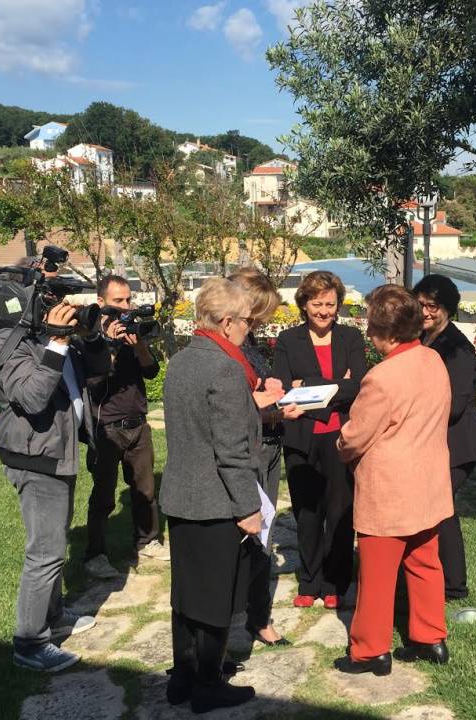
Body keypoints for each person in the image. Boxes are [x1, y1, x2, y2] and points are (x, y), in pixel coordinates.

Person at [159, 277, 285, 713]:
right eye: (247, 322)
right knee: (213, 596)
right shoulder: (226, 369)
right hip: (215, 499)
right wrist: (248, 508)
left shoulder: (180, 361)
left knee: (186, 593)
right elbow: (230, 450)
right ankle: (208, 683)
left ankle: (183, 676)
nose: (250, 329)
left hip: (181, 495)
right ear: (227, 322)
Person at [0, 291, 116, 673]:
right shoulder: (7, 342)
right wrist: (58, 342)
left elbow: (97, 374)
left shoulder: (55, 338)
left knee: (55, 544)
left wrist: (89, 336)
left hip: (58, 453)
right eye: (49, 300)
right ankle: (30, 642)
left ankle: (55, 613)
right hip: (35, 458)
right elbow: (30, 398)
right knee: (44, 553)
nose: (59, 307)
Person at [334, 284, 454, 676]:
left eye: (371, 327)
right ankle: (431, 638)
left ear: (385, 333)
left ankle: (370, 651)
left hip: (389, 488)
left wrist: (341, 440)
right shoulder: (434, 360)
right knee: (425, 563)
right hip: (429, 481)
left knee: (377, 576)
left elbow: (356, 435)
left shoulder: (381, 377)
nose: (369, 334)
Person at [271, 270, 368, 609]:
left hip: (341, 437)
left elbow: (360, 385)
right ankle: (309, 581)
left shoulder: (351, 338)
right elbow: (282, 387)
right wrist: (334, 385)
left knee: (340, 513)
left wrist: (307, 387)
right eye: (317, 304)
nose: (325, 311)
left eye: (330, 304)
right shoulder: (287, 340)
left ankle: (335, 582)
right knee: (307, 514)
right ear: (304, 304)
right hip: (301, 438)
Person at [228, 268, 304, 647]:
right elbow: (232, 410)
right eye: (260, 313)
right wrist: (273, 406)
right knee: (250, 534)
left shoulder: (250, 342)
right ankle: (241, 615)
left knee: (265, 533)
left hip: (270, 444)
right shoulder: (226, 349)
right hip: (251, 449)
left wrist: (276, 395)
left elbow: (254, 394)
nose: (264, 320)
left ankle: (257, 615)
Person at [412, 275, 476, 600]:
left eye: (433, 306)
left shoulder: (457, 349)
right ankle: (437, 577)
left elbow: (456, 405)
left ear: (447, 309)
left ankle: (454, 585)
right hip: (433, 443)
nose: (426, 312)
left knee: (441, 510)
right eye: (421, 305)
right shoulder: (422, 339)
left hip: (457, 446)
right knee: (436, 510)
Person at [84, 274, 163, 579]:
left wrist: (140, 345)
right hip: (107, 428)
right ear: (101, 302)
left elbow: (152, 371)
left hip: (138, 424)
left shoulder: (131, 330)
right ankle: (95, 555)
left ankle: (147, 541)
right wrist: (111, 349)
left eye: (128, 299)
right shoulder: (89, 338)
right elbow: (93, 383)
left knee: (145, 490)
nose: (125, 306)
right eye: (118, 301)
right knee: (103, 495)